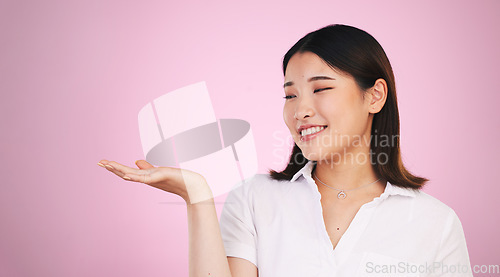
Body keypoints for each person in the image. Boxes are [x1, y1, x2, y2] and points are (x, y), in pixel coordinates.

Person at [98, 24, 472, 277]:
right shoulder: (255, 199)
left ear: (374, 96)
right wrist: (197, 197)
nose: (300, 110)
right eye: (290, 95)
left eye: (320, 89)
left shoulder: (436, 224)